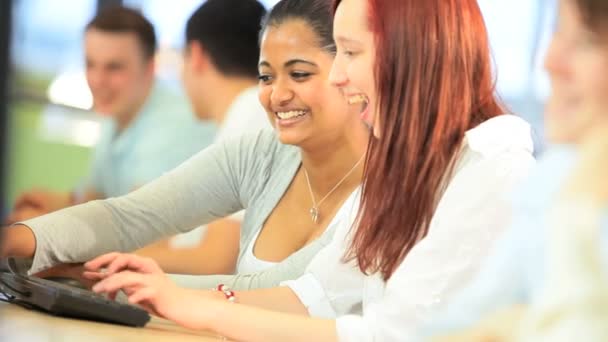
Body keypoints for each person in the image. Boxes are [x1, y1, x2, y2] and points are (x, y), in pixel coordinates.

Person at [78, 0, 535, 341]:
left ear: (415, 55)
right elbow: (314, 295)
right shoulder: (403, 167)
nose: (337, 76)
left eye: (351, 53)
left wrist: (195, 306)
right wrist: (164, 293)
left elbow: (388, 334)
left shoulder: (492, 164)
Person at [0, 0, 370, 292]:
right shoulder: (259, 152)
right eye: (266, 76)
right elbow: (129, 216)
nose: (277, 94)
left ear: (348, 71)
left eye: (300, 74)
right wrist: (17, 238)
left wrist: (107, 277)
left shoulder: (388, 184)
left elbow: (277, 292)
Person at [419, 0, 608, 340]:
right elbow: (454, 326)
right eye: (557, 33)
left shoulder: (502, 164)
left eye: (587, 41)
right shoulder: (557, 177)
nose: (550, 61)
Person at [6, 7, 216, 224]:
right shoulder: (118, 110)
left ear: (150, 68)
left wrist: (44, 226)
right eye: (90, 64)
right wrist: (58, 202)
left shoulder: (174, 125)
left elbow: (135, 226)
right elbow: (95, 197)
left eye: (114, 68)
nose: (98, 80)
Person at [133, 0, 272, 275]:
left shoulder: (250, 114)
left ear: (195, 55)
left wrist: (102, 256)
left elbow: (216, 261)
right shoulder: (243, 114)